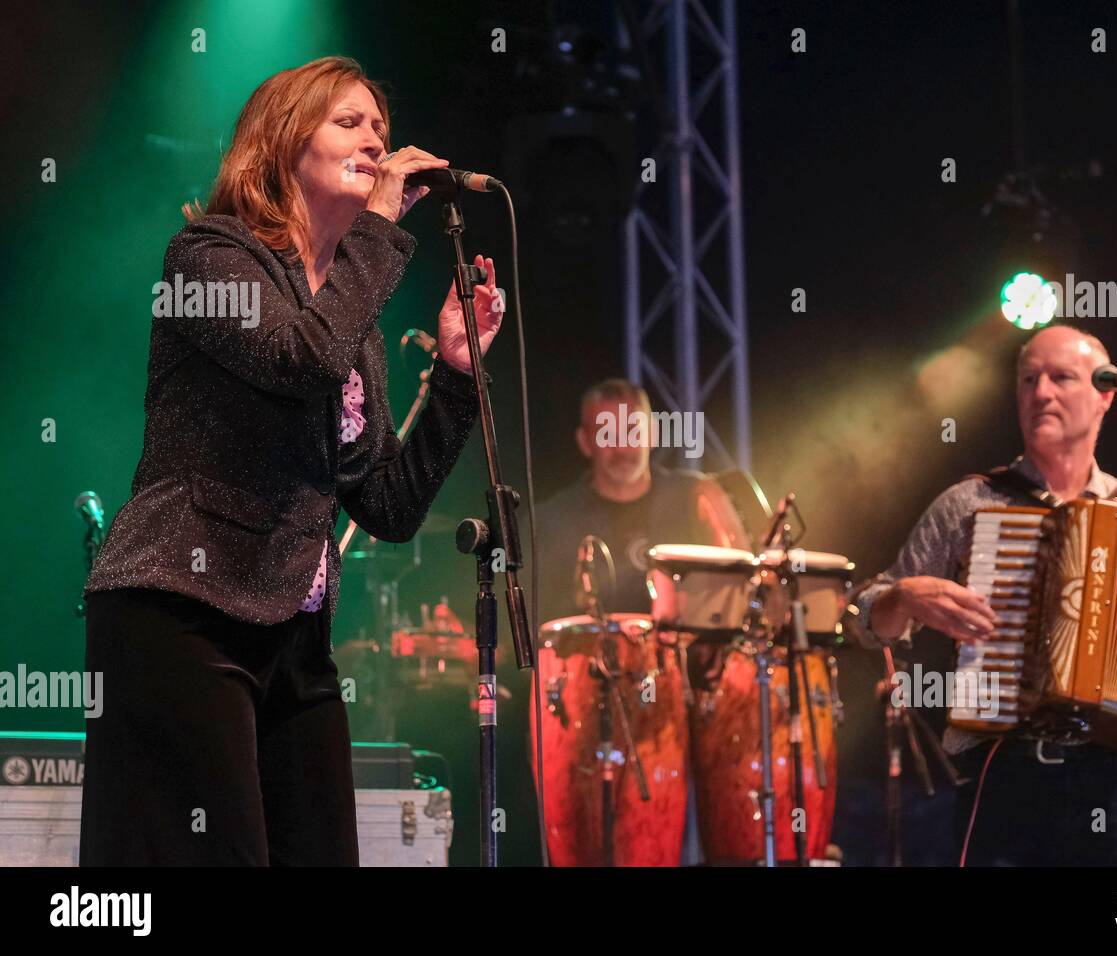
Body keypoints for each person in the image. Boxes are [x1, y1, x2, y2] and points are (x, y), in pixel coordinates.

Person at [80, 56, 503, 865]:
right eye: (350, 123)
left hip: (295, 637)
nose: (377, 142)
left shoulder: (359, 332)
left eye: (381, 126)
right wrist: (380, 229)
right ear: (282, 143)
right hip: (183, 608)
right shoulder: (207, 257)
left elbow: (386, 506)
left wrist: (455, 375)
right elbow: (294, 360)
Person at [854, 324, 1117, 866]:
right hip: (999, 770)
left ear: (1107, 397)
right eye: (1028, 380)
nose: (1040, 393)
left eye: (1061, 378)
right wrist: (901, 596)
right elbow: (863, 616)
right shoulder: (972, 503)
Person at [533, 378, 747, 624]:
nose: (622, 447)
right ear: (585, 442)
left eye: (632, 431)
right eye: (607, 435)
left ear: (653, 433)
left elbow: (741, 586)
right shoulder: (550, 521)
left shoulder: (698, 496)